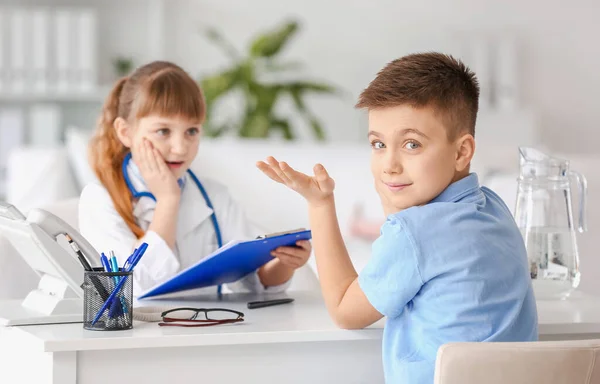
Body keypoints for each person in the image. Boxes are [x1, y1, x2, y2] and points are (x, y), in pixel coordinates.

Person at [256, 52, 538, 384]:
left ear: (462, 151)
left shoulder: (415, 233)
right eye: (378, 144)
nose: (389, 164)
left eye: (411, 144)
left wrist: (320, 205)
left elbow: (346, 311)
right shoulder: (493, 207)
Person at [79, 61, 311, 296]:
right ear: (125, 132)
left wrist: (284, 262)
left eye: (192, 131)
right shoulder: (99, 199)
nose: (180, 149)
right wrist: (168, 200)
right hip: (142, 331)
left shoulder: (215, 197)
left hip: (207, 328)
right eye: (163, 131)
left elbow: (253, 284)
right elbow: (134, 288)